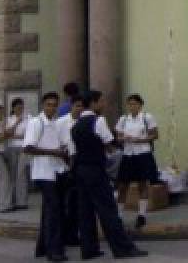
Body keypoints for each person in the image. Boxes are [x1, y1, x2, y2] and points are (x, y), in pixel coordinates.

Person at [71, 90, 148, 259]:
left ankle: (89, 249)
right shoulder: (98, 121)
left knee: (85, 211)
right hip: (95, 170)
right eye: (101, 101)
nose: (104, 105)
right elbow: (109, 143)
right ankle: (123, 248)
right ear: (93, 103)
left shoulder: (76, 124)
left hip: (80, 170)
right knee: (108, 210)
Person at [25, 92, 69, 262]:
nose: (51, 108)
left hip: (57, 171)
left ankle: (42, 247)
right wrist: (53, 152)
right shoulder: (36, 123)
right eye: (49, 104)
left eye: (54, 105)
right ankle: (54, 250)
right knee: (54, 211)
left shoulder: (56, 124)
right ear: (43, 105)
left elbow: (61, 145)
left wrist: (63, 154)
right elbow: (28, 148)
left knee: (51, 211)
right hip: (43, 173)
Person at [115, 93, 160, 229]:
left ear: (140, 105)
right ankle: (119, 215)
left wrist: (139, 139)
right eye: (130, 104)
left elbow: (155, 134)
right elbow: (118, 136)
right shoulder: (123, 119)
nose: (132, 106)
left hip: (143, 153)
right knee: (123, 185)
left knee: (143, 184)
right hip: (128, 154)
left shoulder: (147, 117)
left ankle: (141, 215)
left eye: (135, 103)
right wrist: (123, 138)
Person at [56, 96, 84, 247]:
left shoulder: (83, 122)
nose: (79, 109)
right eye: (77, 106)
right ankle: (64, 234)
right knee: (65, 203)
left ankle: (74, 235)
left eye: (81, 106)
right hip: (65, 165)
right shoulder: (61, 122)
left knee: (76, 203)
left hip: (78, 163)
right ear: (71, 106)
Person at [5, 98, 30, 210]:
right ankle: (12, 200)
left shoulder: (29, 118)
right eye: (18, 107)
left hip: (23, 148)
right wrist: (16, 122)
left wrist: (15, 135)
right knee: (12, 173)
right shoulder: (9, 119)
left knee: (21, 173)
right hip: (12, 148)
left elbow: (29, 134)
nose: (20, 109)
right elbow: (7, 133)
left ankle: (22, 201)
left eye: (21, 107)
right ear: (13, 108)